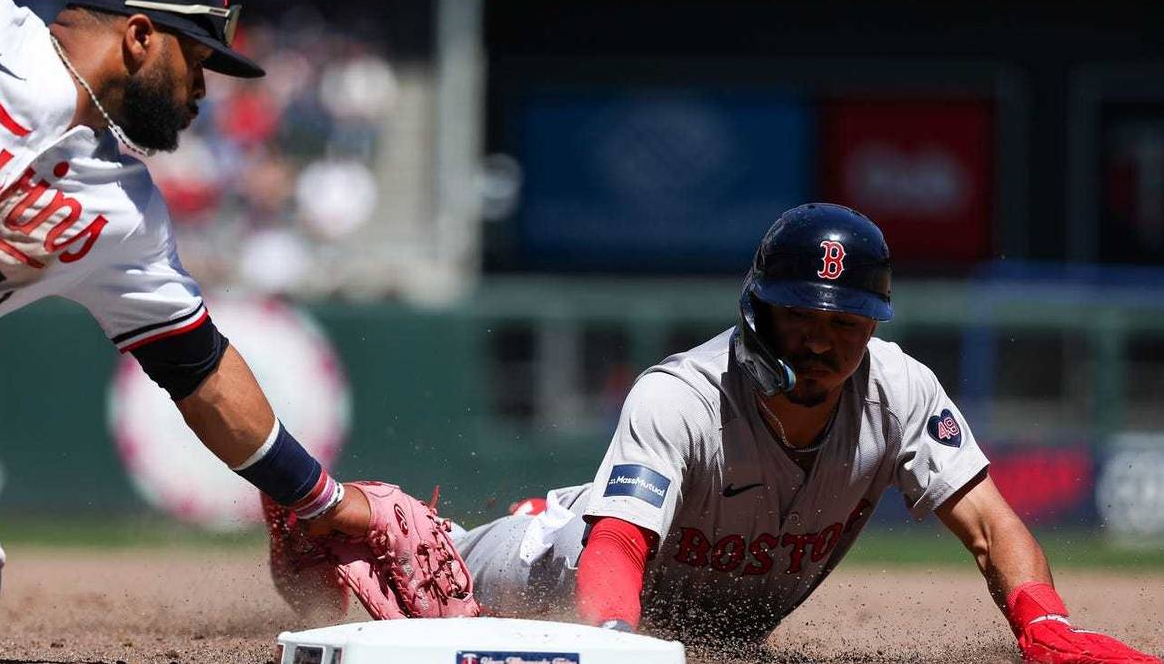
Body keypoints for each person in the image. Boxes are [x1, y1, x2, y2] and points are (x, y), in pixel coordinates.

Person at [449, 204, 1159, 662]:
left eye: (843, 324)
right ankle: (363, 513)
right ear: (757, 309)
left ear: (872, 326)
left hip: (701, 635)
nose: (819, 343)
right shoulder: (681, 395)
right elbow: (617, 543)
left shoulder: (897, 389)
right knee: (432, 565)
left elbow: (989, 524)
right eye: (799, 316)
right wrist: (613, 646)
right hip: (560, 568)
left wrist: (1043, 623)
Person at [0, 0, 373, 646]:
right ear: (139, 36)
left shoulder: (127, 216)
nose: (202, 91)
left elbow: (198, 368)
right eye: (196, 60)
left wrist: (317, 498)